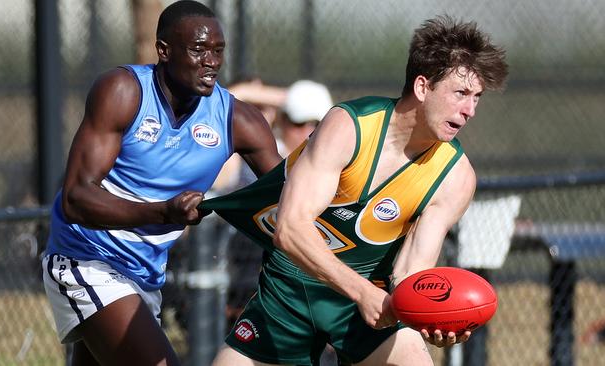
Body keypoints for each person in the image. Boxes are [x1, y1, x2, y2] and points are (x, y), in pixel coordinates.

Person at [204, 15, 508, 365]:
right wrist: (360, 291)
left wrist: (432, 313)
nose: (469, 110)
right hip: (290, 290)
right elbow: (289, 229)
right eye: (461, 93)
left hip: (369, 302)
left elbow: (410, 272)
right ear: (423, 87)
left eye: (477, 97)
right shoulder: (349, 127)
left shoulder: (456, 177)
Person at [40, 1, 281, 365]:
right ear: (164, 51)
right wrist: (163, 212)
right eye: (198, 49)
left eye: (218, 51)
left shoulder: (237, 119)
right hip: (86, 260)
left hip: (144, 277)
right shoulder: (123, 91)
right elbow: (76, 198)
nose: (212, 61)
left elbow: (291, 191)